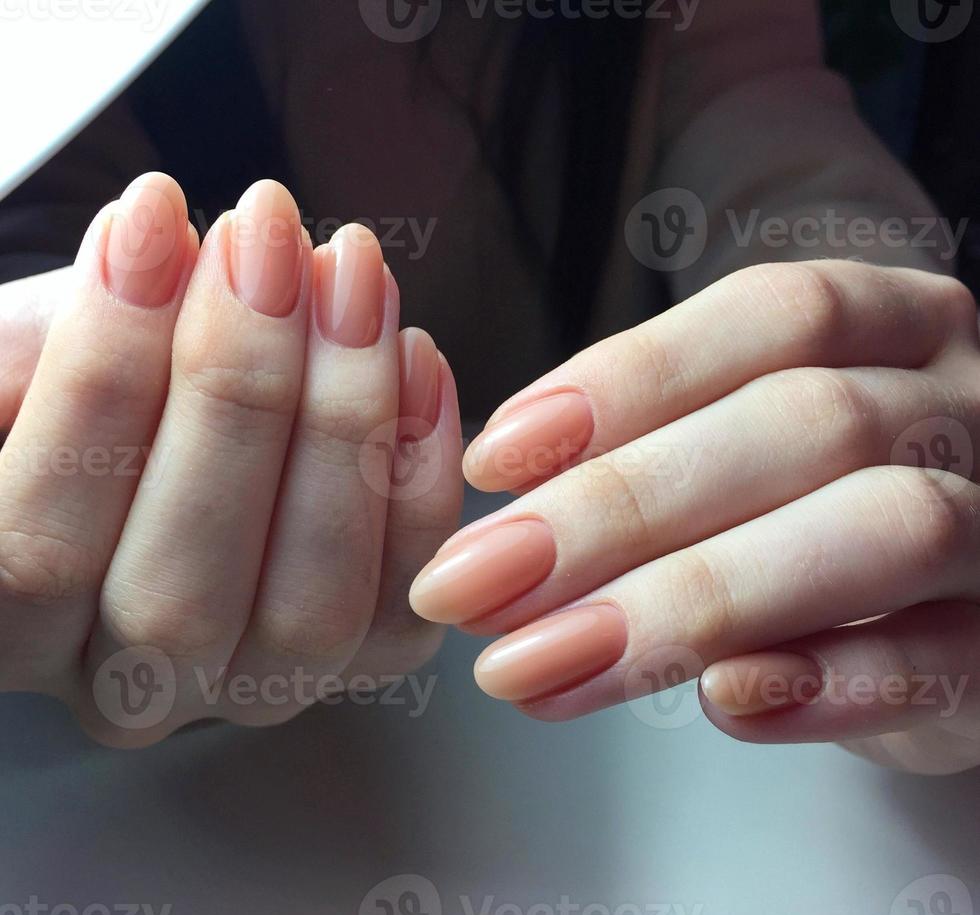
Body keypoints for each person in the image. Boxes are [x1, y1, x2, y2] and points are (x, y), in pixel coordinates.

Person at [1, 1, 978, 774]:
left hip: (648, 777)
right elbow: (47, 195)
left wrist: (869, 362)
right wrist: (82, 438)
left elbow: (755, 106)